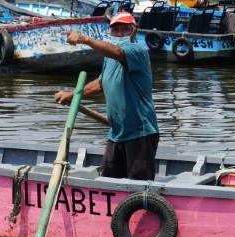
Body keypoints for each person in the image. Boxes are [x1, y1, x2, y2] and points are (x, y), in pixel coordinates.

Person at [55, 12, 159, 180]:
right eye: (116, 30)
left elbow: (118, 51)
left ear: (134, 32)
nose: (120, 34)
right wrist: (73, 95)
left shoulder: (137, 50)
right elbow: (100, 84)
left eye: (125, 30)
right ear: (110, 33)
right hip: (116, 133)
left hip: (140, 133)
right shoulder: (108, 58)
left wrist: (85, 40)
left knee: (138, 190)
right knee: (109, 181)